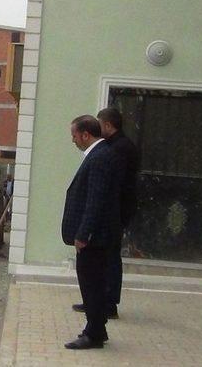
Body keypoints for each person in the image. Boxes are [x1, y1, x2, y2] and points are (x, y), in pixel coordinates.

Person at [71, 108, 140, 319]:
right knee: (102, 261)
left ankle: (108, 303)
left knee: (109, 259)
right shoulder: (114, 147)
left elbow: (104, 190)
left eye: (100, 125)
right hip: (113, 212)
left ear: (108, 125)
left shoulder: (117, 149)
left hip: (114, 214)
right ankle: (96, 303)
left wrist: (85, 230)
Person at [62, 115, 121, 350]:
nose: (73, 140)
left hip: (94, 239)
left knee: (92, 284)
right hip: (98, 236)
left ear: (86, 134)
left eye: (74, 136)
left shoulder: (99, 158)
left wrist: (83, 234)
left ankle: (94, 333)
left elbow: (95, 200)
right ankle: (97, 328)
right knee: (93, 283)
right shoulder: (101, 155)